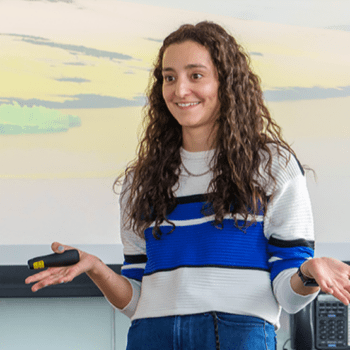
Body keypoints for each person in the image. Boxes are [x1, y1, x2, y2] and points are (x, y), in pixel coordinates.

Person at [25, 21, 350, 350]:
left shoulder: (271, 165)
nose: (179, 90)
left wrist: (309, 270)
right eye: (169, 77)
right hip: (150, 336)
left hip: (237, 333)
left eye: (195, 75)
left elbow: (288, 296)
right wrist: (96, 268)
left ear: (226, 82)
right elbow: (138, 300)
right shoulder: (141, 181)